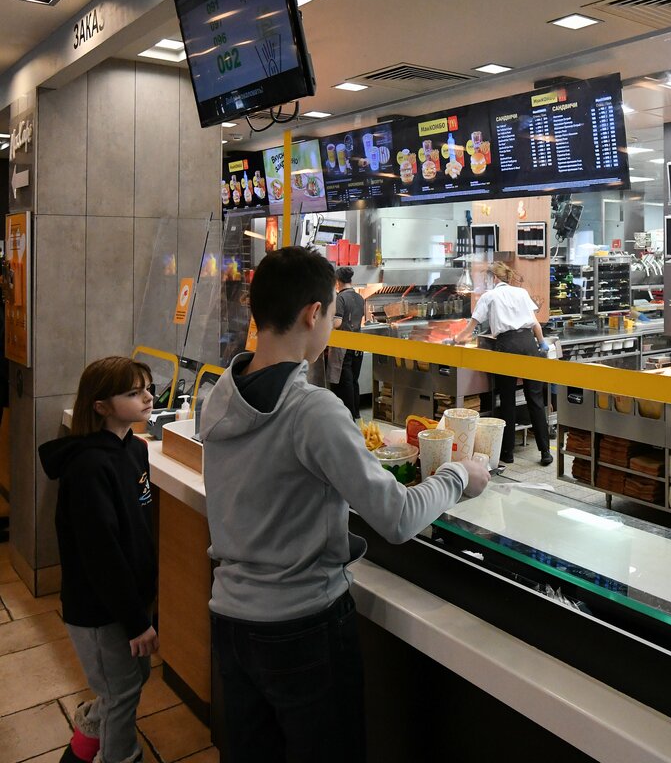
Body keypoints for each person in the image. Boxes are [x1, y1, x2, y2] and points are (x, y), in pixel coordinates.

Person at [198, 247, 489, 763]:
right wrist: (459, 475)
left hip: (231, 620)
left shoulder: (221, 395)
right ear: (314, 313)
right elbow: (397, 518)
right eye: (333, 315)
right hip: (302, 628)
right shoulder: (313, 410)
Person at [39, 357, 158, 763]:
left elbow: (136, 532)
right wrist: (136, 620)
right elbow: (101, 553)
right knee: (120, 692)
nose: (147, 397)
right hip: (98, 608)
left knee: (135, 677)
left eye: (147, 388)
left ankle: (85, 738)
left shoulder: (135, 450)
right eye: (133, 392)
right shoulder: (88, 467)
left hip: (130, 599)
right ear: (101, 406)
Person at [454, 261, 553, 466]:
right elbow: (535, 323)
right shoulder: (521, 292)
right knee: (535, 398)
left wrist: (455, 340)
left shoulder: (489, 296)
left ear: (494, 278)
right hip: (528, 344)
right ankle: (545, 452)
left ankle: (507, 453)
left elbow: (471, 328)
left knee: (507, 400)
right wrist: (542, 343)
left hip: (507, 346)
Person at [329, 266, 366, 418]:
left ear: (338, 282)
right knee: (354, 381)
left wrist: (326, 323)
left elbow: (337, 323)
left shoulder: (340, 298)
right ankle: (355, 414)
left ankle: (347, 417)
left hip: (344, 347)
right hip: (358, 344)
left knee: (345, 383)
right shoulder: (360, 298)